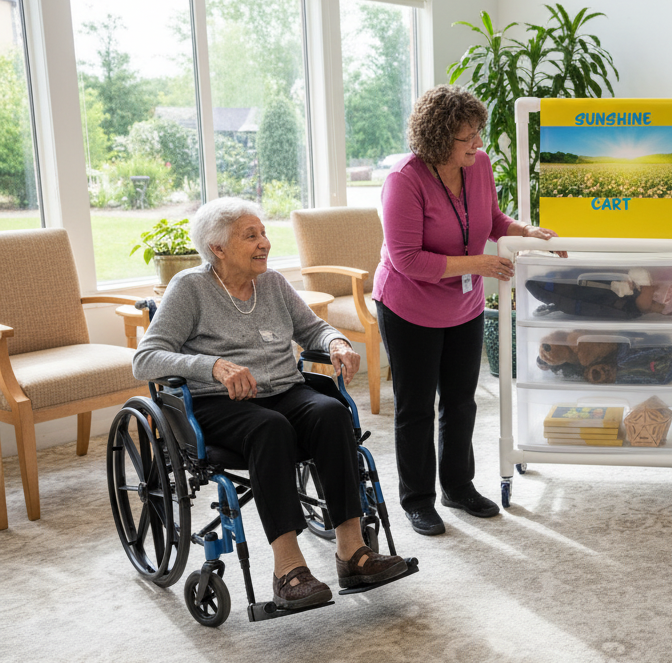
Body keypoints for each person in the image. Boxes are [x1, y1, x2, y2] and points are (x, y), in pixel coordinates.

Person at [133, 198, 410, 610]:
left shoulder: (274, 283)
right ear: (218, 248)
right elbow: (146, 358)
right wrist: (213, 367)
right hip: (220, 402)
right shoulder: (190, 288)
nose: (264, 242)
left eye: (263, 233)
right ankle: (288, 571)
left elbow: (313, 328)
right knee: (270, 429)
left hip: (284, 389)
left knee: (331, 412)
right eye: (251, 235)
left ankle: (352, 553)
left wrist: (335, 342)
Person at [375, 85, 560, 536]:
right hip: (409, 306)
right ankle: (417, 500)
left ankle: (457, 486)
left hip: (463, 303)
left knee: (460, 402)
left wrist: (522, 230)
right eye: (467, 137)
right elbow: (407, 259)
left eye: (478, 132)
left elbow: (490, 219)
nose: (478, 143)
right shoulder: (404, 178)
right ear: (438, 139)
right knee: (415, 408)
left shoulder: (479, 167)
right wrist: (478, 263)